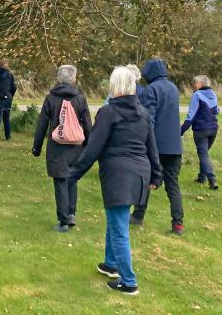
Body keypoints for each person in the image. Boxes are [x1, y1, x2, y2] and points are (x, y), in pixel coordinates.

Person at [69, 66, 163, 296]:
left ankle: (129, 282)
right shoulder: (143, 114)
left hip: (119, 175)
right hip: (139, 174)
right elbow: (152, 148)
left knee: (119, 228)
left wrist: (73, 174)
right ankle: (110, 264)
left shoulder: (108, 112)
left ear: (115, 86)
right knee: (116, 219)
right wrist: (156, 174)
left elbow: (93, 148)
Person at [31, 65, 93, 232]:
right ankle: (71, 213)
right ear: (74, 79)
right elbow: (87, 123)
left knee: (60, 181)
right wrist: (89, 145)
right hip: (76, 147)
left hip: (57, 147)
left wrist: (36, 147)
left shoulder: (51, 98)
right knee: (72, 179)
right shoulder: (80, 98)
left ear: (58, 79)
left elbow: (42, 124)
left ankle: (63, 221)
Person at [132, 58, 185, 234]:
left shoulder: (151, 90)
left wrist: (145, 141)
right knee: (172, 184)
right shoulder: (173, 88)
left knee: (146, 180)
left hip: (157, 145)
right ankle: (178, 223)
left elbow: (149, 119)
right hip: (175, 145)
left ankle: (138, 215)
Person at [181, 75, 220, 190]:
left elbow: (191, 116)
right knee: (205, 154)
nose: (194, 85)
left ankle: (212, 180)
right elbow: (216, 111)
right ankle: (201, 178)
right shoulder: (213, 94)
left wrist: (181, 131)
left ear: (201, 84)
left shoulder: (197, 95)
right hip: (213, 129)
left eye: (196, 83)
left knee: (203, 154)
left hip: (201, 130)